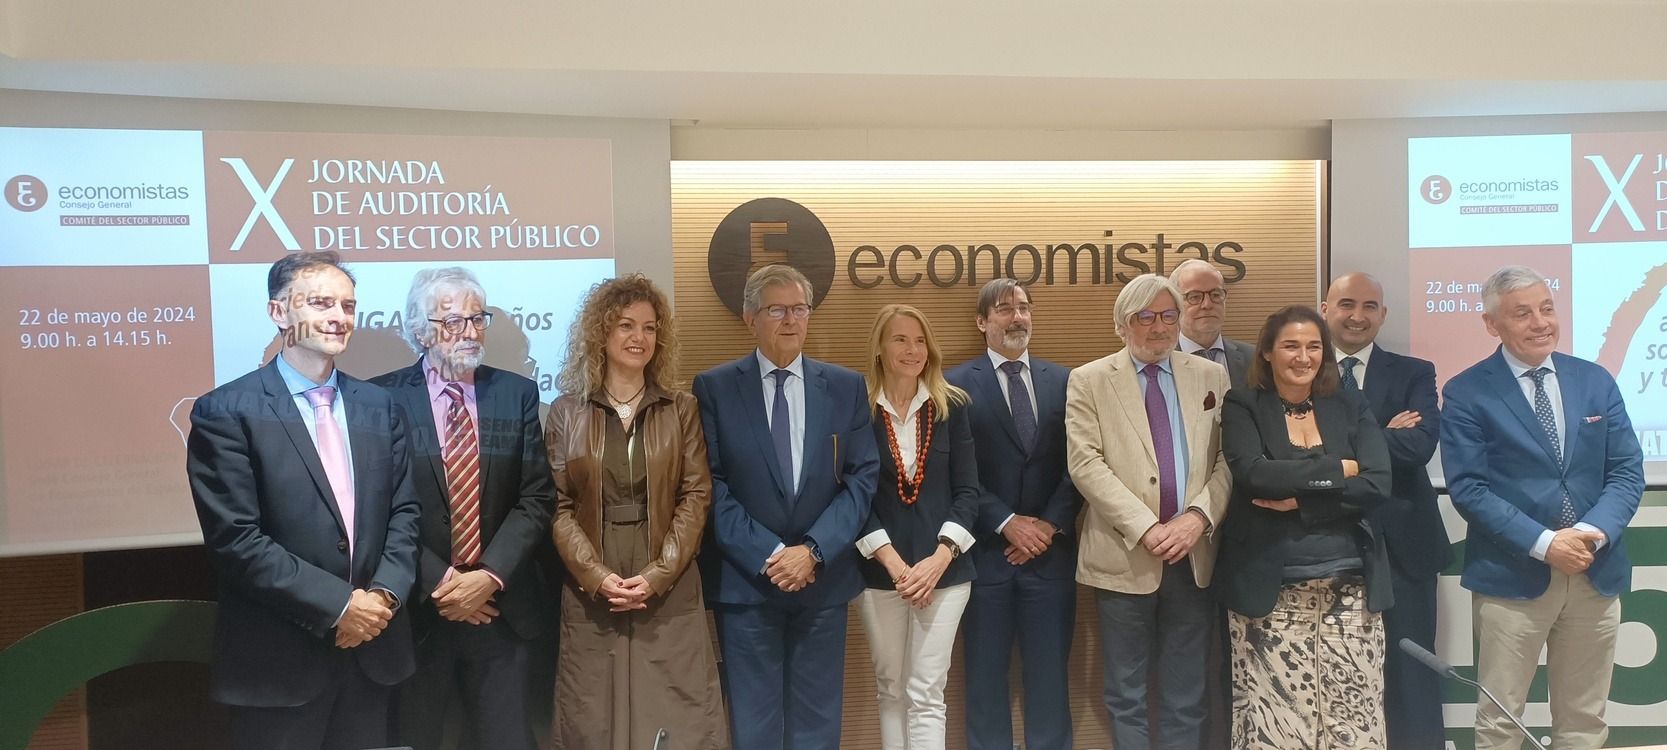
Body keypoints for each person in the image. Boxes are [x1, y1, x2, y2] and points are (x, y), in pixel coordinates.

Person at [185, 251, 420, 750]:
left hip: (372, 653)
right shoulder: (225, 412)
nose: (339, 317)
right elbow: (236, 540)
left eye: (348, 306)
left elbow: (404, 515)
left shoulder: (381, 406)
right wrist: (340, 606)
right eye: (320, 303)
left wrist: (381, 599)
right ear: (279, 313)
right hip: (280, 663)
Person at [1441, 265, 1644, 750]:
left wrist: (1591, 532)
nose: (1540, 323)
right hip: (1513, 577)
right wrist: (1546, 543)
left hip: (1595, 570)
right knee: (1501, 720)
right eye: (1522, 314)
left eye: (1547, 309)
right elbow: (1468, 488)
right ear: (1492, 325)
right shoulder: (1467, 392)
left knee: (1584, 720)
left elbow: (1626, 471)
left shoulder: (1593, 380)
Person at [692, 264, 880, 750]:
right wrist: (773, 555)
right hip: (749, 583)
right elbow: (710, 485)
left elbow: (862, 479)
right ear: (749, 317)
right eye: (777, 309)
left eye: (799, 309)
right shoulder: (714, 387)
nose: (790, 320)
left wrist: (813, 551)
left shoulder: (844, 386)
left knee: (818, 724)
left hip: (824, 579)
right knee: (754, 725)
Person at [370, 267, 556, 750]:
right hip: (418, 611)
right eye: (453, 321)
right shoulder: (379, 400)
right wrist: (443, 583)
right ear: (419, 330)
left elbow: (536, 497)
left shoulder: (516, 394)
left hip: (502, 608)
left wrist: (488, 576)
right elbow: (378, 507)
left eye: (478, 319)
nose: (470, 332)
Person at [544, 275, 728, 749]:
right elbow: (558, 506)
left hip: (667, 579)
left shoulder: (681, 408)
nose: (638, 338)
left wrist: (658, 575)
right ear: (600, 335)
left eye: (648, 328)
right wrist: (596, 576)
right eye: (625, 325)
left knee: (674, 711)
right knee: (592, 714)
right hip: (592, 583)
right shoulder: (567, 412)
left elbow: (696, 495)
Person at [1215, 304, 1394, 750]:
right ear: (1268, 353)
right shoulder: (1243, 404)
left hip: (1350, 591)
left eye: (1314, 346)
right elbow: (1255, 475)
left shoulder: (1350, 404)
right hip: (1271, 590)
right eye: (1291, 346)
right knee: (1276, 725)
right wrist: (1340, 470)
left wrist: (1300, 498)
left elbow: (1377, 482)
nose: (1303, 356)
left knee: (1355, 720)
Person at [1065, 273, 1232, 750]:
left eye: (1168, 315)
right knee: (1126, 693)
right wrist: (1146, 528)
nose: (1159, 327)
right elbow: (1085, 463)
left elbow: (1228, 460)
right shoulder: (1089, 379)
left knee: (1187, 694)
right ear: (1123, 324)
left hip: (1194, 556)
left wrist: (1195, 519)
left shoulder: (1211, 376)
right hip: (1124, 558)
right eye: (1146, 317)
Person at [947, 279, 1080, 750]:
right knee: (984, 684)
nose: (1017, 317)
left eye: (1023, 308)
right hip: (985, 559)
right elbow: (954, 471)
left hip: (1051, 559)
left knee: (1049, 684)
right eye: (1004, 309)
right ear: (982, 322)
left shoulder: (1067, 381)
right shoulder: (954, 385)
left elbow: (1081, 464)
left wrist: (1046, 525)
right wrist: (1007, 522)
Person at [1321, 271, 1451, 749]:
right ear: (1325, 308)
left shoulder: (1415, 371)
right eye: (1347, 304)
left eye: (1370, 306)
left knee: (1412, 673)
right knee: (1339, 674)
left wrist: (1349, 448)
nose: (1358, 316)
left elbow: (1418, 448)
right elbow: (1307, 457)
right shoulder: (1305, 370)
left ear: (1383, 314)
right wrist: (1382, 431)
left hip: (1405, 547)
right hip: (1331, 543)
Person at [854, 304, 982, 750]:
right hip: (878, 573)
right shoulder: (858, 410)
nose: (912, 350)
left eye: (920, 340)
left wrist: (937, 561)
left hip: (945, 573)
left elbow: (969, 492)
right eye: (900, 339)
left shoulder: (953, 408)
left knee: (927, 692)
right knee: (891, 688)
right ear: (880, 348)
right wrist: (895, 566)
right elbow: (853, 495)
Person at [1170, 258, 1253, 389]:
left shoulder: (1253, 359)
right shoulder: (1158, 363)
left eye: (1215, 295)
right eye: (1195, 297)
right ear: (1175, 304)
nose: (1207, 305)